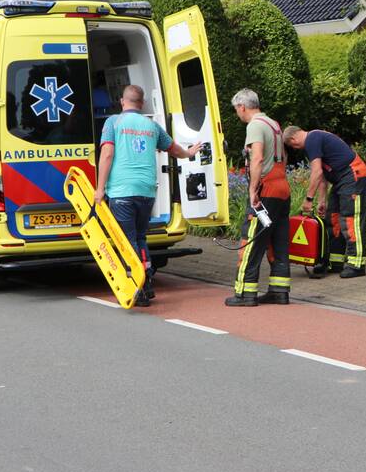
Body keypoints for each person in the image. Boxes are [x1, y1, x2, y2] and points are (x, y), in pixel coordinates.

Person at [94, 85, 201, 306]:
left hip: (122, 191)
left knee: (127, 240)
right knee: (140, 237)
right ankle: (147, 280)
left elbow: (107, 154)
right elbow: (174, 149)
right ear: (141, 104)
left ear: (122, 101)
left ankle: (139, 286)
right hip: (147, 191)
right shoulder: (152, 126)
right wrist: (190, 153)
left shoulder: (113, 122)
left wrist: (99, 188)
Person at [225, 89, 292, 307]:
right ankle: (279, 291)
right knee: (278, 241)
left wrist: (253, 189)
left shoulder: (254, 125)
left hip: (267, 190)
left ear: (242, 107)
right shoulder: (274, 124)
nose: (238, 114)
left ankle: (245, 293)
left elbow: (258, 158)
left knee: (251, 240)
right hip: (283, 189)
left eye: (237, 110)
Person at [283, 126, 366, 278]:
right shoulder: (314, 141)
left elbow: (316, 172)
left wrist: (309, 199)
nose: (294, 148)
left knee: (351, 219)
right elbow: (322, 175)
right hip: (341, 180)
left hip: (353, 175)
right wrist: (322, 200)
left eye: (291, 146)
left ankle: (357, 264)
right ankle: (336, 263)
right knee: (333, 217)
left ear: (293, 139)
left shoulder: (312, 139)